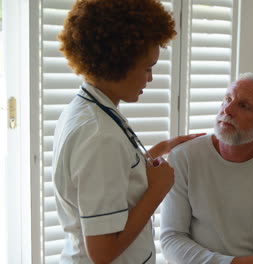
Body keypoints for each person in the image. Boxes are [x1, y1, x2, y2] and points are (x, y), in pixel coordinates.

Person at [52, 0, 203, 263]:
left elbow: (115, 175)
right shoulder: (99, 135)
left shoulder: (90, 108)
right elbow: (102, 252)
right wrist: (158, 190)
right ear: (118, 61)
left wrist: (159, 150)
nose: (151, 78)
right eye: (147, 68)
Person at [160, 73, 253, 264]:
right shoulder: (184, 156)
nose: (227, 109)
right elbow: (171, 239)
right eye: (227, 99)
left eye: (243, 105)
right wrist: (230, 263)